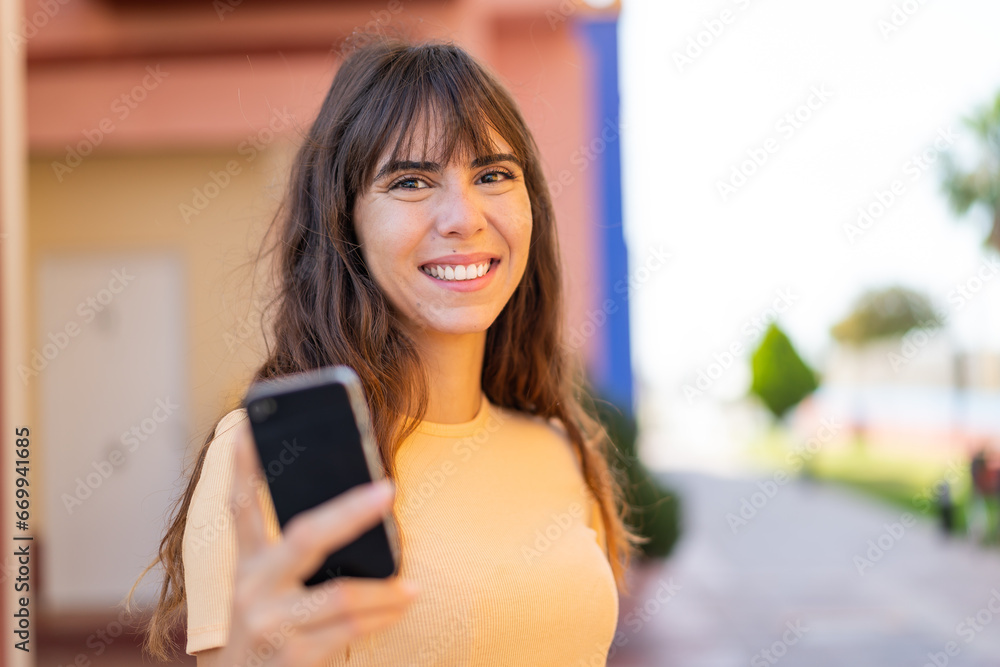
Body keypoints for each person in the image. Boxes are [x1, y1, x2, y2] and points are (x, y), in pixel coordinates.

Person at [128, 37, 643, 666]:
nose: (463, 216)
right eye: (410, 180)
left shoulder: (560, 448)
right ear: (347, 225)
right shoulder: (264, 458)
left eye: (492, 174)